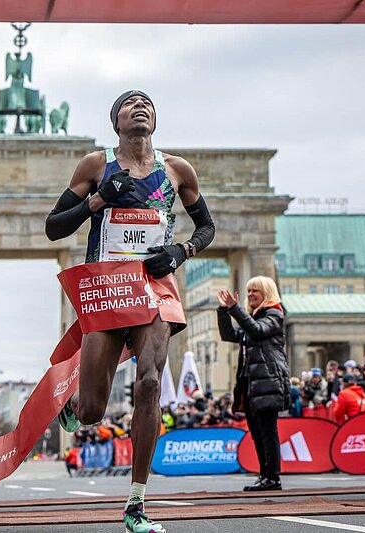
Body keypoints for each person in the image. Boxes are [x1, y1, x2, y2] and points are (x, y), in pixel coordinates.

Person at [44, 90, 215, 533]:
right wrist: (96, 201)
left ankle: (136, 503)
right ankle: (75, 404)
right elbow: (53, 227)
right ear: (116, 121)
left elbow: (207, 226)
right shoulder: (95, 165)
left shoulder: (176, 169)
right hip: (107, 288)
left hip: (155, 284)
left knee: (150, 382)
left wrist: (180, 252)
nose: (140, 107)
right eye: (129, 103)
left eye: (147, 103)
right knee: (93, 411)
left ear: (154, 120)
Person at [217, 276, 289, 492]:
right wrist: (223, 311)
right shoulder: (254, 317)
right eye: (248, 291)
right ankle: (265, 475)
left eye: (255, 291)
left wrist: (234, 308)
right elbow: (229, 335)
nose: (250, 295)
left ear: (266, 292)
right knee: (258, 433)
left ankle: (272, 477)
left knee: (267, 432)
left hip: (267, 382)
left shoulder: (274, 314)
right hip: (252, 384)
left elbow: (257, 330)